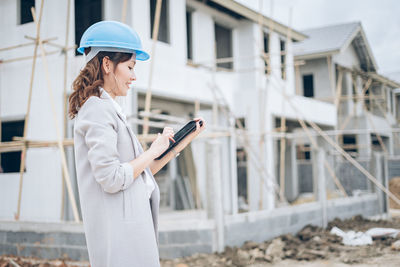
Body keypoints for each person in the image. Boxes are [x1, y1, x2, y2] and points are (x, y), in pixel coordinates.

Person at [68, 21, 205, 267]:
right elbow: (111, 178)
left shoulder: (109, 109)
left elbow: (140, 173)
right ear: (107, 64)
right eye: (130, 67)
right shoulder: (97, 110)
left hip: (130, 235)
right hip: (120, 242)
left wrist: (178, 145)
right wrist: (153, 149)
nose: (134, 76)